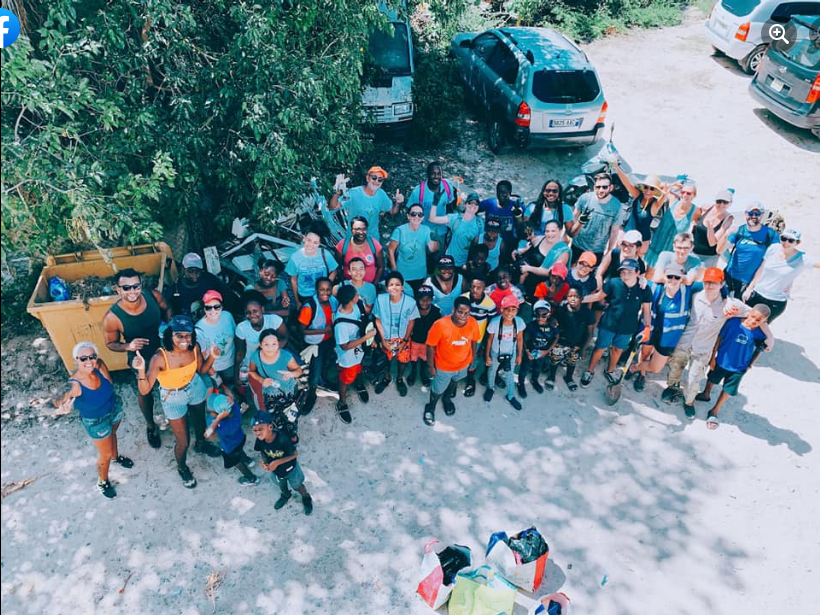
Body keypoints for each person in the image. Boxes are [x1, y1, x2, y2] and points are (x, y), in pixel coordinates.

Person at [661, 267, 773, 418]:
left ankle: (689, 402)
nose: (710, 286)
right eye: (707, 282)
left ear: (721, 283)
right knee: (676, 367)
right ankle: (672, 387)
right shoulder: (695, 295)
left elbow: (755, 314)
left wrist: (769, 337)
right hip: (684, 342)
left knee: (694, 378)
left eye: (714, 282)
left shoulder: (731, 305)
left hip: (703, 348)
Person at [133, 315, 222, 489]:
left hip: (194, 386)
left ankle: (201, 445)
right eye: (179, 335)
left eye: (188, 335)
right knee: (183, 441)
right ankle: (182, 468)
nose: (184, 339)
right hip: (172, 396)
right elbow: (144, 390)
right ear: (170, 335)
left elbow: (201, 370)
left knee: (200, 423)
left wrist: (212, 356)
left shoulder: (194, 348)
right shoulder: (160, 357)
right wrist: (141, 370)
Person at [54, 343, 133, 499]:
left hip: (114, 408)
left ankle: (116, 457)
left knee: (113, 434)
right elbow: (56, 403)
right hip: (96, 421)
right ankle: (102, 481)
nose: (89, 361)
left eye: (92, 357)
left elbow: (109, 383)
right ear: (76, 360)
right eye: (83, 358)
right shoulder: (74, 384)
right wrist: (60, 409)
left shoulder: (100, 365)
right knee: (105, 454)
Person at [103, 267, 169, 449]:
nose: (132, 291)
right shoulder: (112, 317)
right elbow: (110, 343)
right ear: (118, 289)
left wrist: (168, 326)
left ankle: (180, 417)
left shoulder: (153, 296)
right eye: (126, 288)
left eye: (136, 286)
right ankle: (151, 426)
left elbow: (167, 309)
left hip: (164, 350)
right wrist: (128, 346)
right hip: (142, 358)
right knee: (145, 392)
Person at [696, 305, 771, 429]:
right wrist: (713, 357)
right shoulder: (733, 323)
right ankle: (706, 393)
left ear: (764, 321)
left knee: (728, 389)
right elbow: (719, 338)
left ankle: (715, 410)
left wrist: (750, 364)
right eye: (752, 316)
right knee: (712, 378)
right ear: (749, 313)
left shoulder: (760, 334)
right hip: (721, 361)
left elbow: (759, 350)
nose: (753, 321)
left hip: (739, 367)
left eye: (758, 320)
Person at [581, 259, 652, 387]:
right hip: (608, 323)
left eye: (629, 272)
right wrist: (579, 299)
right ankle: (589, 370)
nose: (625, 275)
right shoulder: (613, 283)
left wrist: (647, 327)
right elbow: (598, 296)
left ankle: (610, 371)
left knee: (618, 350)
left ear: (637, 272)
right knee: (600, 348)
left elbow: (647, 310)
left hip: (627, 328)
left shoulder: (645, 289)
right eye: (623, 272)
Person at [629, 263, 693, 392]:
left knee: (656, 367)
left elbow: (710, 283)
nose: (673, 280)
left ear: (682, 278)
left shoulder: (687, 291)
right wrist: (641, 280)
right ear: (664, 276)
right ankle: (642, 375)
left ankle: (635, 367)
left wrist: (726, 298)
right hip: (652, 328)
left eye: (677, 277)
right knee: (645, 353)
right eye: (670, 276)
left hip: (669, 336)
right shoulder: (655, 287)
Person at [424, 297, 481, 425]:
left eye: (467, 313)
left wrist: (473, 357)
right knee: (437, 389)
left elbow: (474, 340)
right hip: (443, 366)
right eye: (460, 312)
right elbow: (430, 346)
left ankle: (447, 399)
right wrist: (430, 366)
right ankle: (431, 407)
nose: (463, 316)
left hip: (463, 364)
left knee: (454, 381)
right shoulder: (440, 325)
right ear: (453, 310)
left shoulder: (473, 322)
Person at [742, 228, 819, 322]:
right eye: (783, 238)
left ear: (797, 242)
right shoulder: (773, 248)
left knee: (759, 327)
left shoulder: (802, 258)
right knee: (743, 322)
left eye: (791, 240)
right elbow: (761, 269)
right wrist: (750, 288)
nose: (786, 242)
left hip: (776, 302)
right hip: (757, 294)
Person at [252, 411, 313, 515]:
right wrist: (266, 463)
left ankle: (306, 497)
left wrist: (276, 462)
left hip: (291, 469)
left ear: (270, 427)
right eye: (255, 430)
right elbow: (262, 451)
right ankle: (286, 495)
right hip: (277, 471)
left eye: (261, 429)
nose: (257, 433)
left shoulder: (282, 438)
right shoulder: (260, 440)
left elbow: (295, 454)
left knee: (298, 486)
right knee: (281, 485)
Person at [333, 285, 377, 424]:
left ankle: (359, 384)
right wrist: (365, 338)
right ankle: (342, 402)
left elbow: (363, 321)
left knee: (359, 369)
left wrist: (370, 339)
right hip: (348, 357)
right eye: (356, 294)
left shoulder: (357, 305)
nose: (359, 295)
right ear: (352, 299)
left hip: (359, 351)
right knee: (345, 378)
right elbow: (344, 346)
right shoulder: (341, 325)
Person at [234, 291, 287, 404]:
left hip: (271, 361)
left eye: (255, 311)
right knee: (256, 390)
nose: (252, 315)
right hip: (251, 364)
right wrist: (236, 373)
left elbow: (284, 338)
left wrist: (269, 351)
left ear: (262, 310)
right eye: (248, 312)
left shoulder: (274, 320)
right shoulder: (242, 328)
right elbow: (240, 353)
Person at [373, 271, 419, 397]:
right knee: (386, 359)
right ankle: (387, 378)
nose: (394, 287)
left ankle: (399, 378)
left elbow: (411, 322)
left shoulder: (410, 302)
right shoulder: (381, 299)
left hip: (403, 338)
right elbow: (378, 320)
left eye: (397, 284)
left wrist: (405, 341)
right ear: (386, 288)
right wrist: (383, 340)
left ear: (402, 287)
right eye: (391, 284)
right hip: (386, 337)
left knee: (403, 359)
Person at [719, 202, 779, 298]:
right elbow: (720, 250)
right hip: (728, 276)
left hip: (748, 283)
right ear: (745, 214)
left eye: (757, 214)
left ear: (762, 215)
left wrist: (751, 287)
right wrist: (726, 234)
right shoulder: (739, 230)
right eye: (750, 213)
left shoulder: (771, 235)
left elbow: (769, 262)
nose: (753, 216)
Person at [298, 277, 339, 414]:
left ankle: (324, 380)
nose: (325, 292)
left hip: (329, 340)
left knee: (326, 363)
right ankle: (311, 394)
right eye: (322, 289)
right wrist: (324, 331)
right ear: (316, 290)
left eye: (328, 289)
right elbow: (302, 330)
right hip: (315, 343)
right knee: (315, 370)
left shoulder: (333, 301)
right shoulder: (309, 307)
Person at [328, 166, 402, 240]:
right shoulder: (353, 193)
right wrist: (337, 192)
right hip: (354, 238)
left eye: (380, 179)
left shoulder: (381, 194)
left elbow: (392, 211)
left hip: (372, 239)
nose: (376, 181)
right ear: (367, 178)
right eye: (374, 177)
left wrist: (398, 203)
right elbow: (333, 207)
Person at [567, 173, 626, 265]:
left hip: (597, 250)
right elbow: (574, 217)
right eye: (598, 187)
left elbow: (614, 231)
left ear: (611, 187)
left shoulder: (617, 206)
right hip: (577, 245)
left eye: (604, 187)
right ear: (594, 187)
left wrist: (609, 251)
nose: (601, 190)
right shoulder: (584, 198)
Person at [203, 390, 259, 486]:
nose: (209, 413)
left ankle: (251, 478)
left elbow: (208, 435)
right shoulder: (236, 409)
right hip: (240, 438)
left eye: (210, 411)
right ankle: (248, 460)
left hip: (230, 448)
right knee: (239, 450)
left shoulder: (224, 428)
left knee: (236, 462)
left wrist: (217, 420)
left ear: (219, 413)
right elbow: (232, 400)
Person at [612, 165, 667, 255]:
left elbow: (664, 194)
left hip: (642, 241)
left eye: (652, 188)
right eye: (646, 187)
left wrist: (665, 186)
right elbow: (626, 183)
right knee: (619, 257)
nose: (648, 191)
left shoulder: (655, 204)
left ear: (656, 191)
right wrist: (617, 167)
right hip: (627, 235)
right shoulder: (637, 195)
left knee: (636, 261)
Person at [247, 329, 303, 418]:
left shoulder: (286, 356)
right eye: (266, 344)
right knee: (275, 418)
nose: (270, 348)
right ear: (260, 345)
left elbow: (299, 371)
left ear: (278, 344)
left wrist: (292, 374)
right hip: (270, 394)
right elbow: (252, 371)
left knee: (291, 416)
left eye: (274, 344)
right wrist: (261, 380)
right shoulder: (256, 357)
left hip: (288, 391)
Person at [483, 296, 525, 410]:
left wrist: (519, 355)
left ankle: (510, 395)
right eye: (507, 309)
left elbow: (520, 339)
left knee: (510, 373)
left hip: (511, 352)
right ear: (502, 309)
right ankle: (490, 388)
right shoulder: (495, 322)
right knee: (492, 370)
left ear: (517, 310)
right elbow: (489, 339)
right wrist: (487, 356)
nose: (510, 313)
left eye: (513, 310)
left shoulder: (519, 322)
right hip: (496, 351)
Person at [644, 181, 697, 270]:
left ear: (694, 195)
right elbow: (657, 186)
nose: (685, 195)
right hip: (658, 243)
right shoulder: (673, 200)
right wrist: (672, 185)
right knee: (649, 272)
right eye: (682, 192)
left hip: (673, 249)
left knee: (666, 274)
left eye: (688, 193)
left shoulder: (695, 211)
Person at [387, 203, 439, 293]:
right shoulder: (400, 231)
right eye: (413, 214)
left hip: (420, 274)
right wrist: (394, 270)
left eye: (420, 214)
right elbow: (391, 250)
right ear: (408, 216)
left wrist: (436, 241)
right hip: (403, 275)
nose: (417, 217)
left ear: (423, 217)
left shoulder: (426, 230)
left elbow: (432, 249)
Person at [549, 288, 594, 391]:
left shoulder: (587, 313)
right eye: (570, 296)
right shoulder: (561, 309)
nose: (573, 299)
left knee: (572, 362)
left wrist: (583, 349)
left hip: (576, 344)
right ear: (567, 298)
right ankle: (551, 377)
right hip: (560, 342)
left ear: (582, 299)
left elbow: (590, 333)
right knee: (554, 360)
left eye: (576, 296)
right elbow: (553, 319)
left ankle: (568, 377)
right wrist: (553, 321)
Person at [164, 252, 232, 320]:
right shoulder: (176, 288)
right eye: (191, 271)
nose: (195, 274)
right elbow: (168, 306)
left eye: (198, 271)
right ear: (183, 269)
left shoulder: (209, 279)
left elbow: (226, 294)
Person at [285, 228, 339, 309]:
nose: (311, 245)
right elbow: (293, 280)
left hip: (321, 294)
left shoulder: (326, 254)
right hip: (304, 295)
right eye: (309, 240)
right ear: (304, 239)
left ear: (319, 243)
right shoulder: (295, 258)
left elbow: (334, 270)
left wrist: (326, 285)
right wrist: (297, 301)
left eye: (315, 242)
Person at [428, 192, 484, 267]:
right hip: (449, 261)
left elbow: (481, 246)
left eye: (476, 204)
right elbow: (432, 219)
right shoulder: (455, 218)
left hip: (466, 265)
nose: (473, 206)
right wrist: (435, 203)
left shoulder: (480, 223)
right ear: (465, 204)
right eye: (470, 203)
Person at [462, 276, 497, 397]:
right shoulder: (463, 299)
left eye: (479, 287)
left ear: (484, 288)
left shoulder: (489, 304)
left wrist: (485, 343)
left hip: (478, 338)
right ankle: (455, 379)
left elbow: (490, 325)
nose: (475, 290)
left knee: (473, 358)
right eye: (473, 287)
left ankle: (470, 379)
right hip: (461, 336)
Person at [517, 220, 571, 296]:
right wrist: (516, 251)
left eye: (553, 231)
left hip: (543, 289)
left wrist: (529, 268)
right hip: (524, 281)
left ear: (560, 231)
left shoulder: (563, 251)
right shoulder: (539, 239)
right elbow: (525, 247)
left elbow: (552, 273)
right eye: (547, 231)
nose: (550, 234)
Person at [195, 290, 237, 388]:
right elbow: (203, 358)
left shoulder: (228, 316)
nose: (213, 311)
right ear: (204, 309)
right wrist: (216, 377)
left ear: (222, 306)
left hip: (231, 364)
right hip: (214, 368)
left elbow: (236, 338)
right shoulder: (199, 329)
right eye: (208, 307)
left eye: (216, 306)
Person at [408, 162, 455, 248]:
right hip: (424, 232)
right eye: (433, 174)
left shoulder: (447, 187)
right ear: (428, 174)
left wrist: (451, 228)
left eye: (439, 174)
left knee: (440, 254)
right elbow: (410, 214)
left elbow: (450, 207)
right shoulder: (418, 192)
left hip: (442, 232)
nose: (436, 176)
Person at [518, 300, 558, 397]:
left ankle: (534, 380)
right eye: (538, 315)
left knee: (538, 368)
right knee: (524, 368)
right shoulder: (531, 325)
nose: (540, 318)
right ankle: (520, 383)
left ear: (549, 314)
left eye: (544, 315)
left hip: (542, 353)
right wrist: (526, 351)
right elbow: (523, 337)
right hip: (530, 352)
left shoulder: (552, 326)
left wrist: (547, 351)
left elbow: (556, 337)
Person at [406, 285, 441, 390]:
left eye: (428, 299)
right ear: (417, 299)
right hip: (414, 340)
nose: (425, 302)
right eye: (422, 299)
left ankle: (423, 373)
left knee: (425, 359)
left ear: (432, 299)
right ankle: (413, 371)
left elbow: (438, 327)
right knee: (413, 358)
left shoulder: (435, 311)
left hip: (428, 342)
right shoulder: (412, 309)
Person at [691, 189, 735, 268]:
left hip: (709, 257)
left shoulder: (728, 219)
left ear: (730, 203)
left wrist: (710, 227)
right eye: (719, 201)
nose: (721, 205)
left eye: (725, 202)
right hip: (692, 252)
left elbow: (712, 243)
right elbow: (694, 217)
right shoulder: (706, 208)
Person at [335, 216, 384, 285]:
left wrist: (374, 286)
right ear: (352, 230)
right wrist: (344, 284)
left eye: (364, 229)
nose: (361, 232)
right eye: (358, 229)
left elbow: (381, 267)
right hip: (349, 287)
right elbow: (337, 267)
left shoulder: (374, 245)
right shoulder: (342, 245)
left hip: (369, 286)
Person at [479, 180, 522, 249]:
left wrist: (518, 215)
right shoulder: (489, 203)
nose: (500, 195)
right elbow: (473, 210)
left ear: (510, 193)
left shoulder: (516, 206)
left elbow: (523, 226)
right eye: (499, 192)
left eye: (504, 192)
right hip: (489, 241)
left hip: (509, 243)